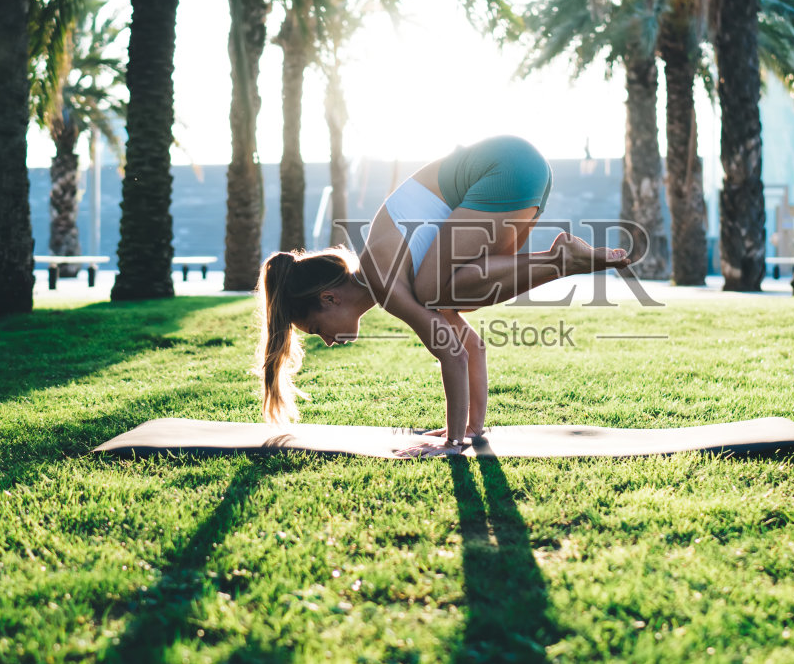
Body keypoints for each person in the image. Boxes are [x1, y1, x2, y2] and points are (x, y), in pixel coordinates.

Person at [254, 135, 629, 457]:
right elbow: (470, 346)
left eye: (316, 328)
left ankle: (560, 259)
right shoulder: (396, 275)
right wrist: (470, 430)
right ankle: (561, 260)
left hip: (504, 168)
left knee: (433, 289)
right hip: (520, 168)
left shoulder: (383, 279)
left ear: (329, 299)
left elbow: (449, 352)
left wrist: (450, 442)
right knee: (449, 292)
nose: (327, 341)